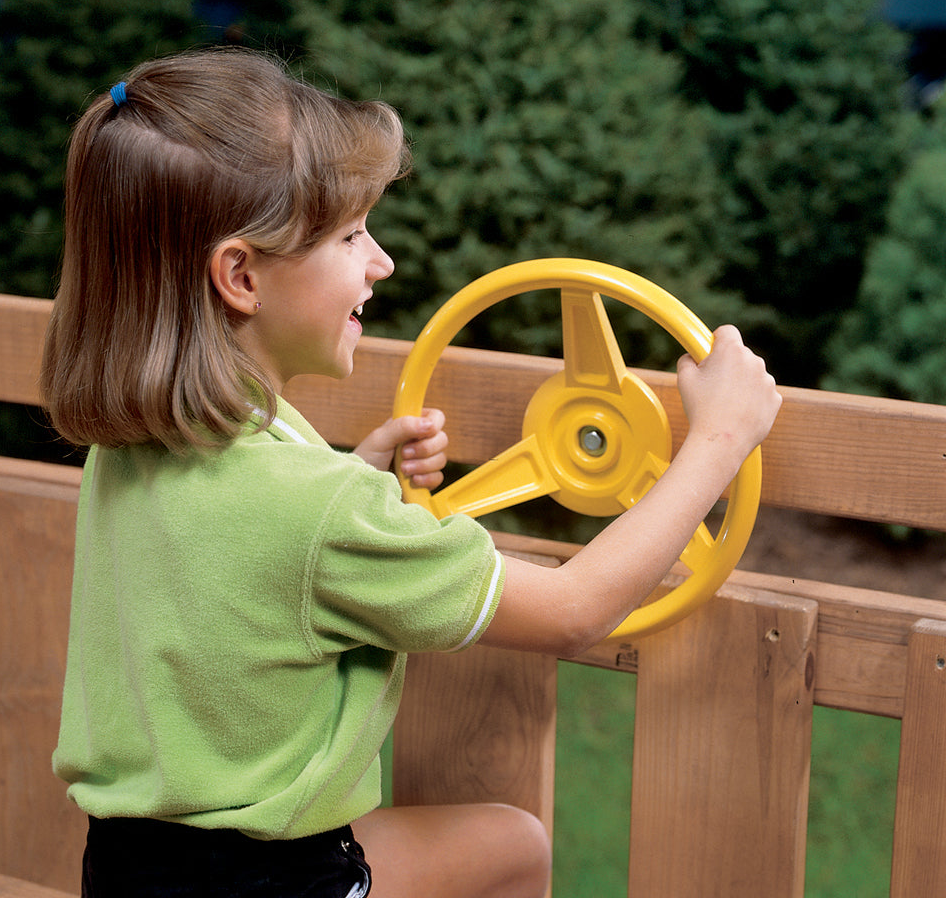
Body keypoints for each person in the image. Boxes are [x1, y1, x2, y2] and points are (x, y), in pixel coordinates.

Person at [41, 46, 781, 898]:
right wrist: (720, 438)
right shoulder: (321, 512)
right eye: (352, 234)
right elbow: (577, 612)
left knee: (503, 845)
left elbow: (242, 567)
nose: (381, 260)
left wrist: (358, 472)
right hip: (280, 884)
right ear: (240, 275)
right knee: (517, 850)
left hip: (130, 873)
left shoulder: (127, 450)